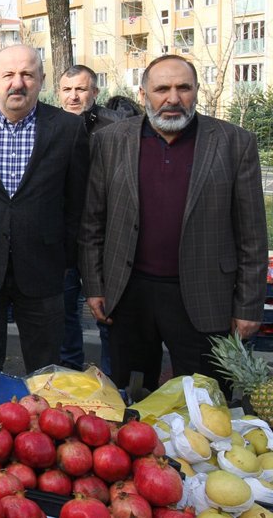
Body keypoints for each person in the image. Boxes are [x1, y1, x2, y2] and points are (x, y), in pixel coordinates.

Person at [79, 55, 267, 393]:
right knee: (132, 398)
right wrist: (94, 285)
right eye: (161, 89)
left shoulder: (234, 142)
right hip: (129, 294)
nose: (173, 98)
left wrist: (249, 305)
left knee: (206, 402)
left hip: (205, 298)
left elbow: (252, 235)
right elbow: (93, 221)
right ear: (143, 95)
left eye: (183, 88)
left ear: (196, 91)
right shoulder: (110, 141)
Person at [0, 45, 89, 373]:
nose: (18, 83)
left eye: (27, 74)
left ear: (41, 80)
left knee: (46, 367)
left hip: (44, 268)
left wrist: (65, 257)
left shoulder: (68, 130)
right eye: (8, 74)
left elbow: (78, 202)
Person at [57, 64, 120, 373]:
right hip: (65, 241)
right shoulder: (50, 127)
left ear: (94, 92)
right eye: (67, 90)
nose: (74, 96)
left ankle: (111, 380)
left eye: (80, 89)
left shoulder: (114, 128)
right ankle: (70, 376)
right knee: (66, 315)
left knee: (107, 313)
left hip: (104, 239)